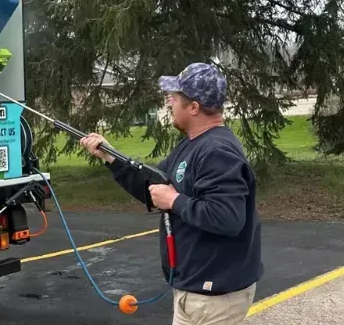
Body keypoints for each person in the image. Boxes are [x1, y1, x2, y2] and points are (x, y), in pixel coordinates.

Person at [80, 62, 262, 324]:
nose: (169, 104)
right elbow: (152, 188)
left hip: (215, 296)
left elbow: (227, 218)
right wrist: (111, 156)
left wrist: (174, 200)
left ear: (194, 107)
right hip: (194, 289)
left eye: (174, 98)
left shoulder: (217, 152)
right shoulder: (191, 144)